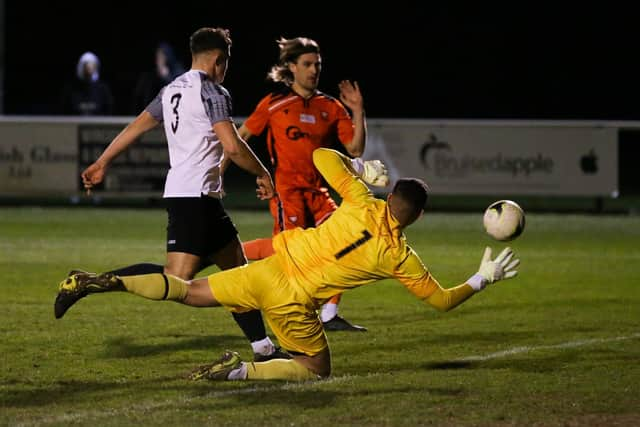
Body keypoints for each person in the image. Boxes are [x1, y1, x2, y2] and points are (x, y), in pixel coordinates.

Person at [54, 147, 521, 382]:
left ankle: (107, 280)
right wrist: (482, 279)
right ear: (417, 215)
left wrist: (358, 167)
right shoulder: (399, 255)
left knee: (187, 289)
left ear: (390, 194)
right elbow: (439, 301)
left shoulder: (360, 199)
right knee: (316, 367)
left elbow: (321, 156)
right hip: (293, 300)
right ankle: (237, 372)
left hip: (269, 266)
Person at [73, 27, 287, 362]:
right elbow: (232, 145)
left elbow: (135, 127)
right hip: (196, 197)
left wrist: (102, 162)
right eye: (226, 62)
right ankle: (94, 281)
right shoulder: (213, 91)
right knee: (176, 280)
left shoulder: (172, 89)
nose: (226, 69)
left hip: (194, 195)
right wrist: (262, 173)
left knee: (238, 273)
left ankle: (263, 348)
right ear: (218, 60)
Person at [237, 36, 368, 331]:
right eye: (307, 64)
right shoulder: (274, 104)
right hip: (287, 192)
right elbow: (239, 138)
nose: (313, 70)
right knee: (290, 255)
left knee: (348, 240)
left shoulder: (331, 107)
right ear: (291, 67)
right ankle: (229, 252)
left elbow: (356, 149)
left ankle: (330, 314)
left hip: (318, 192)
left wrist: (358, 110)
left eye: (317, 65)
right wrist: (259, 173)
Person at [131, 42, 186, 114]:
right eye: (157, 56)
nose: (158, 59)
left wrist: (166, 77)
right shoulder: (151, 74)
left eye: (161, 56)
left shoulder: (178, 71)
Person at [60, 51, 115, 115]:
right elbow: (64, 110)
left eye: (92, 64)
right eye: (86, 65)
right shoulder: (71, 89)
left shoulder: (103, 89)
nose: (89, 67)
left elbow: (109, 110)